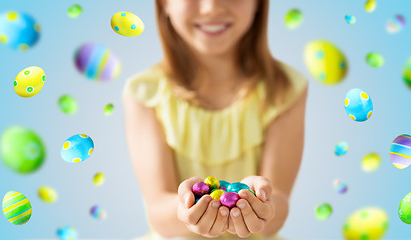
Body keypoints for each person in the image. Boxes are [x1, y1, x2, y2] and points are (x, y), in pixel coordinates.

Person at [123, 0, 308, 239]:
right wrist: (184, 211)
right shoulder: (144, 93)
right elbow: (157, 211)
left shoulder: (286, 88)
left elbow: (279, 204)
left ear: (258, 4)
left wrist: (265, 208)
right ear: (164, 4)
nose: (211, 7)